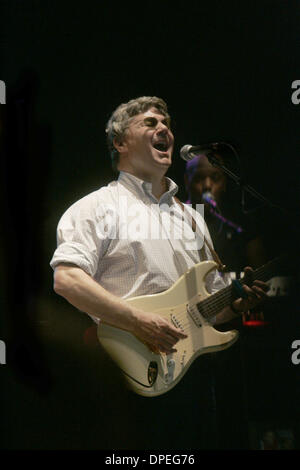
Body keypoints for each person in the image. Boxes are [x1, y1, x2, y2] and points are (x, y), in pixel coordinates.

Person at [50, 96, 269, 449]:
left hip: (194, 377)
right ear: (120, 142)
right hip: (129, 373)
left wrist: (237, 304)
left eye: (166, 123)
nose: (163, 128)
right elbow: (67, 279)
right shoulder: (95, 208)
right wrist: (139, 321)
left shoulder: (191, 217)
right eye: (150, 123)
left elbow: (210, 308)